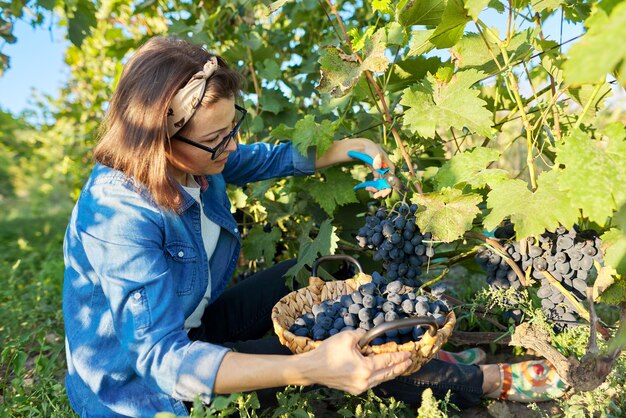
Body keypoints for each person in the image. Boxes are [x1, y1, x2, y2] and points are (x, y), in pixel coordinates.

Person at [62, 36, 566, 417]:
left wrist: (350, 148)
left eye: (233, 126)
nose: (231, 148)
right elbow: (160, 359)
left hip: (193, 326)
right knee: (340, 337)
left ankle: (429, 360)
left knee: (309, 283)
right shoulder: (119, 216)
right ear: (159, 141)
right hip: (143, 389)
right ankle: (483, 380)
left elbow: (260, 159)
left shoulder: (197, 159)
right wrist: (304, 369)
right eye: (218, 139)